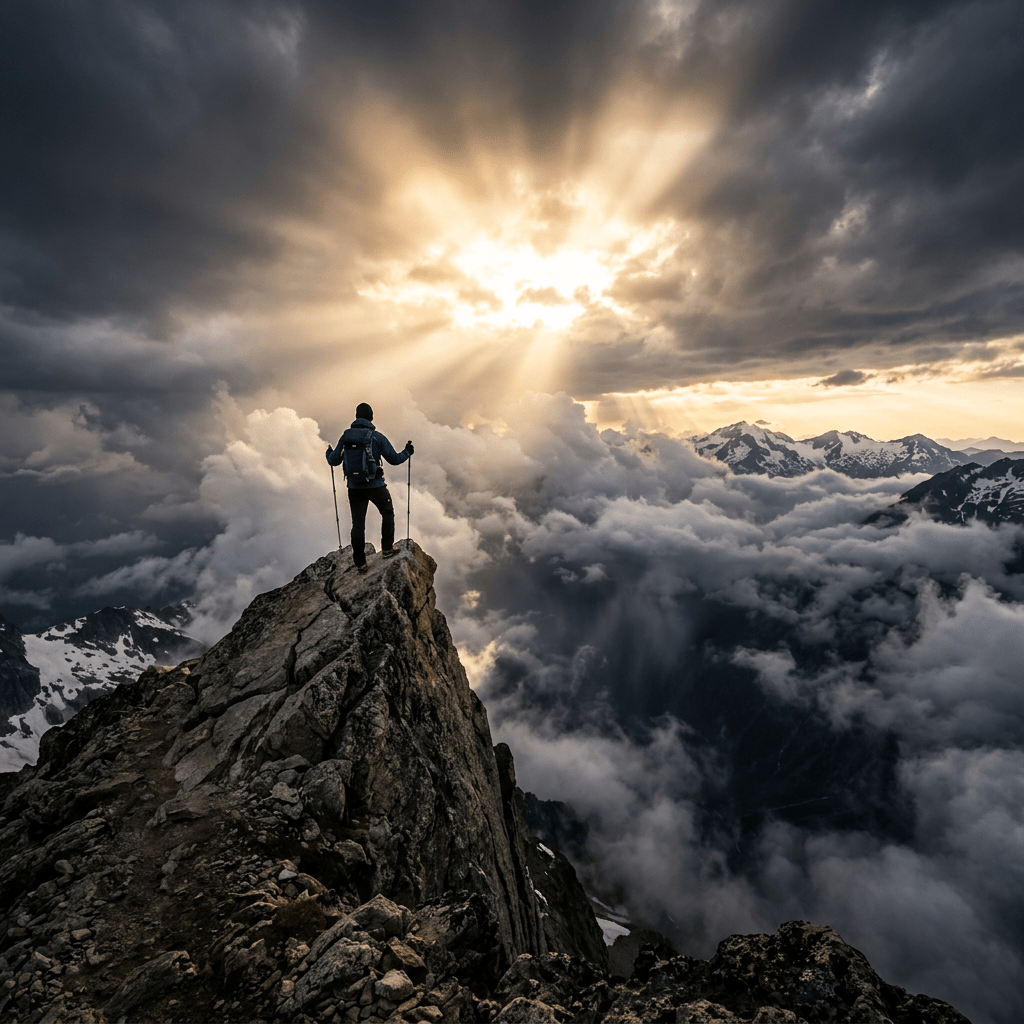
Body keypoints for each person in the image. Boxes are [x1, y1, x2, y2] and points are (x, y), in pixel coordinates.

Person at [326, 403, 414, 572]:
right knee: (387, 512)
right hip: (375, 486)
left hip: (354, 487)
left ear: (356, 416)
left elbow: (334, 461)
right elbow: (394, 459)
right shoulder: (376, 437)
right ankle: (387, 549)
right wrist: (407, 452)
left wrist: (328, 453)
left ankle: (360, 562)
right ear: (371, 417)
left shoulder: (346, 436)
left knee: (358, 524)